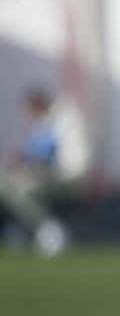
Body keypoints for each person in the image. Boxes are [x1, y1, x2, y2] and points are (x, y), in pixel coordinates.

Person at [0, 87, 70, 255]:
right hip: (42, 173)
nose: (26, 113)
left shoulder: (52, 123)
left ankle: (48, 228)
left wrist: (20, 158)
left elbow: (45, 153)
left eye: (28, 108)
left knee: (16, 190)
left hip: (53, 175)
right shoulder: (41, 125)